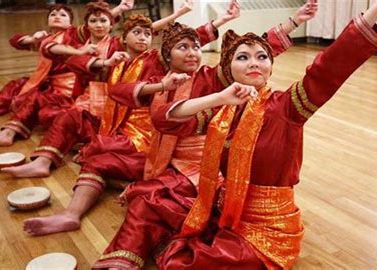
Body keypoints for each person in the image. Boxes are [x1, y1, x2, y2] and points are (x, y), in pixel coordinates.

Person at [91, 1, 324, 268]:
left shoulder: (213, 78)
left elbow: (253, 51)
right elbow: (126, 98)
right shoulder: (157, 76)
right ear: (166, 56)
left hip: (204, 170)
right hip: (162, 160)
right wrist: (158, 86)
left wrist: (294, 20)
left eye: (196, 47)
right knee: (121, 177)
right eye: (183, 48)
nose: (193, 53)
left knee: (147, 199)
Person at [2, 0, 195, 178]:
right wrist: (100, 60)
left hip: (127, 127)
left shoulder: (146, 56)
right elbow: (65, 58)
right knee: (66, 116)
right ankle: (41, 161)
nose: (99, 25)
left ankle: (85, 151)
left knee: (92, 145)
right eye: (93, 21)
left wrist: (182, 14)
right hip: (99, 116)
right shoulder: (92, 47)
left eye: (103, 21)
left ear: (112, 27)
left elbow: (173, 41)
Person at [0, 1, 133, 147]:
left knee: (39, 103)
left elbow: (100, 21)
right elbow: (15, 40)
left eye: (62, 14)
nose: (57, 16)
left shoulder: (76, 34)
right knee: (17, 85)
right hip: (48, 84)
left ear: (71, 23)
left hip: (69, 90)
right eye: (53, 14)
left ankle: (9, 132)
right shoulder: (46, 37)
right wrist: (32, 39)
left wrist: (120, 8)